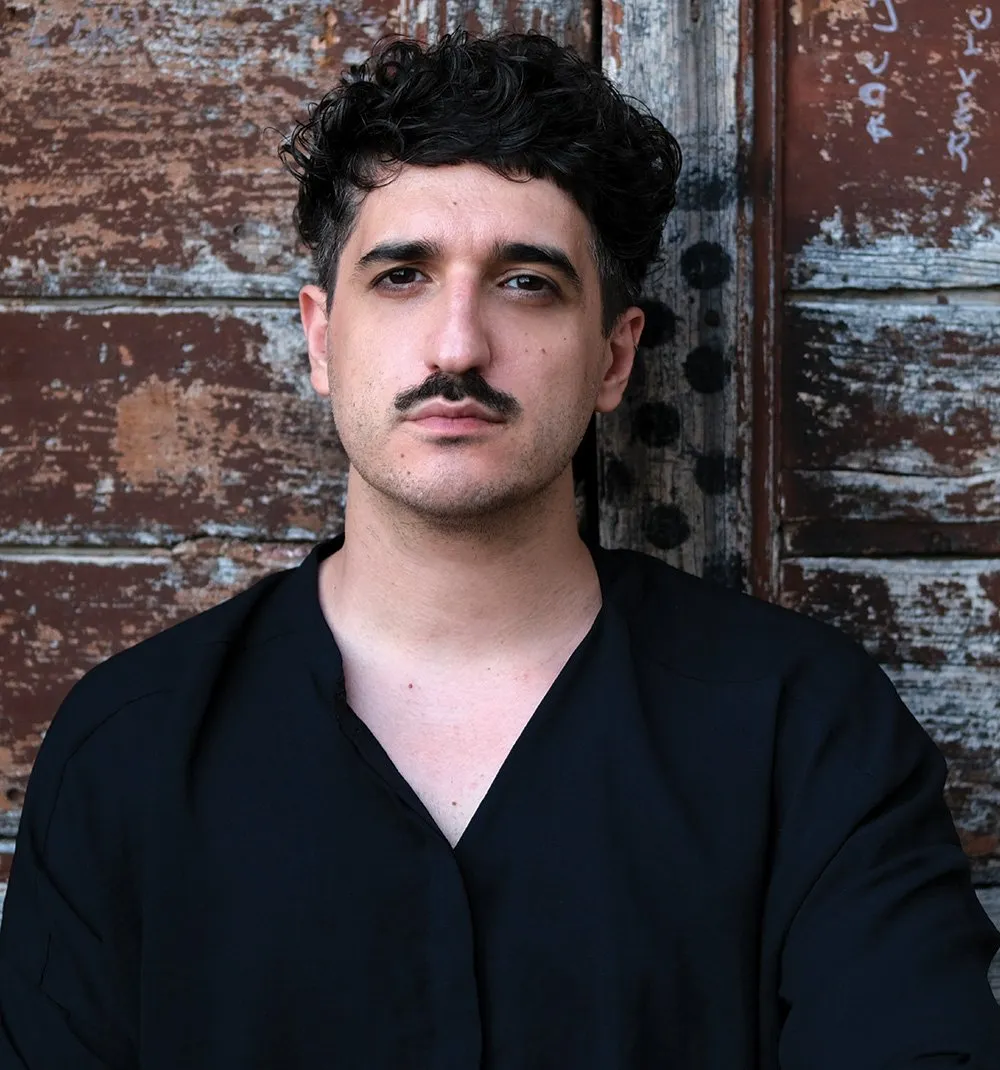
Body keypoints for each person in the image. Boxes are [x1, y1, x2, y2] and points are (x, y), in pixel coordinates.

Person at [1, 29, 998, 1070]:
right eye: (401, 276)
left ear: (614, 357)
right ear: (321, 337)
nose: (458, 345)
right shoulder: (130, 747)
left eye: (526, 282)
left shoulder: (809, 731)